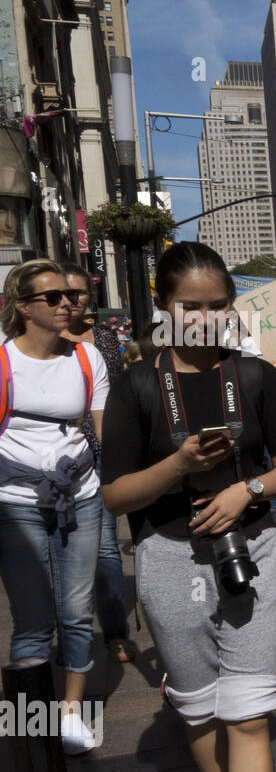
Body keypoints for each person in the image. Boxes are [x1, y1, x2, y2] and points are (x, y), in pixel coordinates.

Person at [100, 242, 276, 772]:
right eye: (192, 306)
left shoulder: (253, 377)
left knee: (248, 711)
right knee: (200, 709)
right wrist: (180, 464)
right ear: (165, 306)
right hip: (167, 561)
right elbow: (116, 495)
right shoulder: (134, 384)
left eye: (220, 305)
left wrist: (245, 487)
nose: (207, 319)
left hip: (250, 553)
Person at [0, 260, 110, 754]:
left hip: (81, 497)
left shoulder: (87, 359)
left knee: (76, 611)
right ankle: (26, 728)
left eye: (71, 295)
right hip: (14, 502)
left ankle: (68, 714)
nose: (69, 302)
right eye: (54, 297)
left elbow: (107, 433)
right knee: (33, 617)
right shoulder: (3, 363)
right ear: (23, 307)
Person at [59, 262, 135, 665]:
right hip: (52, 464)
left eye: (79, 293)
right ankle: (67, 633)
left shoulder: (103, 338)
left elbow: (117, 395)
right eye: (63, 294)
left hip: (101, 455)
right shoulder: (38, 341)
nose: (71, 301)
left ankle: (115, 634)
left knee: (106, 549)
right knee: (59, 550)